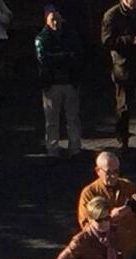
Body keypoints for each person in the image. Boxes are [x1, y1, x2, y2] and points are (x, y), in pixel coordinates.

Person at [101, 0, 136, 150]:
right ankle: (123, 139)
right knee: (123, 106)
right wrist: (131, 39)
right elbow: (107, 41)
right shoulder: (112, 16)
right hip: (123, 66)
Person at [35, 5, 83, 159]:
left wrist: (58, 57)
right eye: (52, 19)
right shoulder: (41, 38)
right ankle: (52, 150)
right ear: (46, 20)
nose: (55, 22)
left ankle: (75, 148)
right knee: (52, 120)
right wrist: (65, 57)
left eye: (57, 18)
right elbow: (44, 59)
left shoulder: (72, 35)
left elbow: (78, 56)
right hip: (51, 84)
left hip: (70, 82)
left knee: (73, 118)